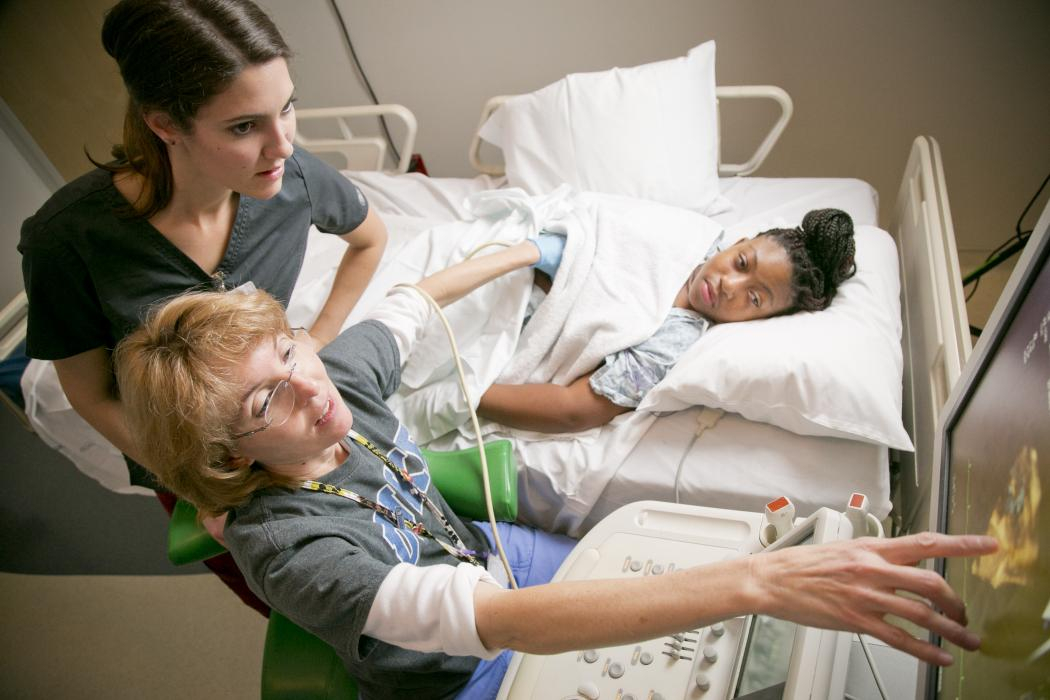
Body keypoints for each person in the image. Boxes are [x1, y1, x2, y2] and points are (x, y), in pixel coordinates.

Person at [114, 242, 995, 700]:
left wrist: (523, 248)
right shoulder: (293, 550)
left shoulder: (333, 380)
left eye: (286, 350)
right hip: (464, 671)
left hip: (494, 552)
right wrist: (757, 581)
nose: (307, 389)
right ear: (231, 453)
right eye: (265, 402)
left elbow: (408, 305)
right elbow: (493, 622)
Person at [18, 0, 386, 615]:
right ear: (166, 124)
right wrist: (204, 484)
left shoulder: (289, 177)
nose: (283, 143)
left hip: (291, 429)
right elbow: (90, 394)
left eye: (287, 106)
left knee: (389, 579)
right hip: (192, 467)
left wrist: (315, 339)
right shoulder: (70, 237)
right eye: (244, 126)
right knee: (298, 606)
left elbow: (370, 240)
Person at [478, 208, 856, 433]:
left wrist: (469, 395)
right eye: (742, 263)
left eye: (754, 298)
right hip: (498, 252)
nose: (730, 285)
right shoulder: (688, 232)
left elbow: (575, 409)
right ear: (740, 241)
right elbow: (593, 219)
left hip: (499, 325)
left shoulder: (672, 342)